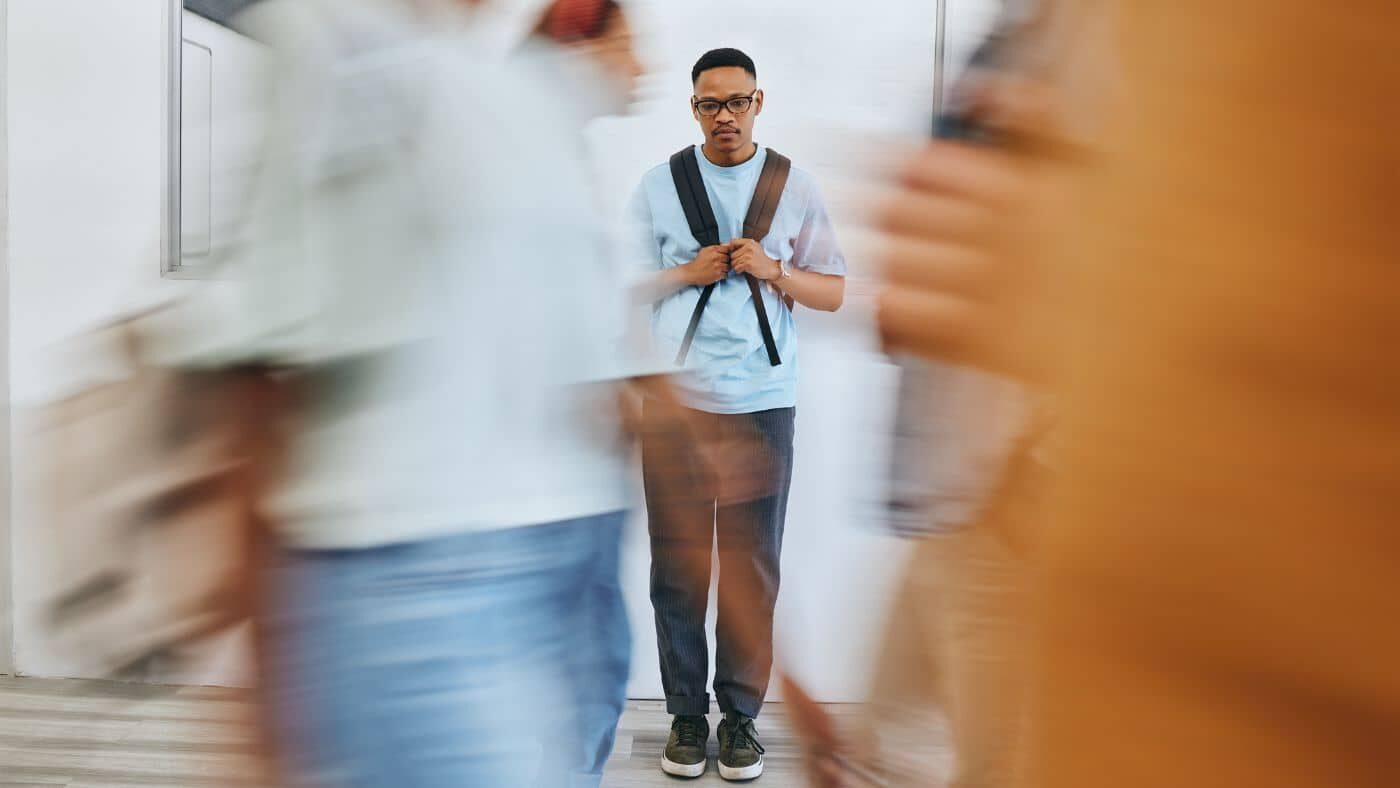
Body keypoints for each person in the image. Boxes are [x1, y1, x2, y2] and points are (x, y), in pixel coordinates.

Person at [146, 0, 654, 784]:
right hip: (414, 572)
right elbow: (262, 366)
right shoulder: (332, 34)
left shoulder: (518, 79)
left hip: (556, 555)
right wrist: (262, 706)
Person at [627, 47, 847, 781]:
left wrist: (775, 270)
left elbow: (834, 292)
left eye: (737, 102)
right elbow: (620, 289)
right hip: (677, 405)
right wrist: (685, 273)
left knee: (753, 571)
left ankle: (742, 722)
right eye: (709, 104)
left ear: (759, 102)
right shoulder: (659, 186)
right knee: (679, 569)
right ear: (692, 109)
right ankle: (687, 717)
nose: (724, 116)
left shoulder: (795, 185)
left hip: (763, 403)